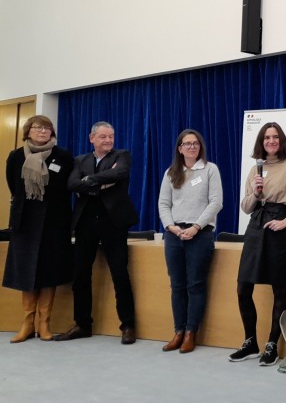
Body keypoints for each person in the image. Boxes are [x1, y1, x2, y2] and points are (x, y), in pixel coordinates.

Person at [228, 122, 286, 367]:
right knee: (243, 288)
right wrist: (255, 193)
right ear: (261, 143)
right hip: (255, 226)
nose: (271, 141)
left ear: (281, 140)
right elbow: (245, 207)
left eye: (275, 137)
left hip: (278, 227)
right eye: (266, 138)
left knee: (278, 289)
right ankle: (250, 342)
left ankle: (272, 344)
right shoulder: (256, 169)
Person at [54, 121, 139, 344]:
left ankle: (128, 325)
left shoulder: (122, 155)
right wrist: (102, 183)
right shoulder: (80, 160)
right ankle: (82, 324)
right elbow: (72, 184)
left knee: (120, 274)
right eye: (103, 137)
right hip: (86, 222)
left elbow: (120, 173)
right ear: (92, 138)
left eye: (111, 136)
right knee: (81, 275)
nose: (108, 140)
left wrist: (90, 181)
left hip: (114, 223)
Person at [4, 115, 74, 343]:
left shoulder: (63, 156)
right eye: (38, 127)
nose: (43, 131)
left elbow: (67, 188)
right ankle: (27, 323)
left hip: (53, 223)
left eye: (47, 128)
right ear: (28, 131)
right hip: (25, 223)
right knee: (26, 272)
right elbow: (13, 185)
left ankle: (45, 323)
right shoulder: (16, 156)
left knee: (49, 272)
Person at [157, 129, 223, 354]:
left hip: (200, 234)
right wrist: (171, 227)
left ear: (200, 147)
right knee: (177, 285)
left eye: (195, 143)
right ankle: (178, 331)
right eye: (187, 144)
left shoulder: (210, 169)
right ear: (180, 149)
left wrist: (196, 227)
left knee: (195, 284)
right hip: (174, 234)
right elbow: (163, 204)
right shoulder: (171, 172)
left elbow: (216, 202)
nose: (192, 147)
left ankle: (190, 333)